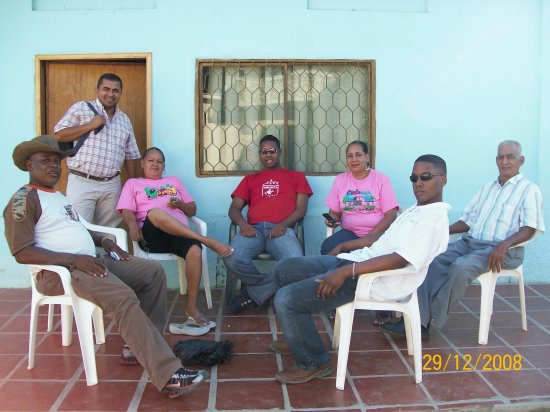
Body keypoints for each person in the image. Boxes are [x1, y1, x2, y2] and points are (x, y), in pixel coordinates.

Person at [4, 135, 206, 399]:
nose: (53, 166)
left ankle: (138, 347)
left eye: (56, 161)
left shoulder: (58, 197)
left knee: (152, 273)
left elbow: (79, 230)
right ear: (29, 164)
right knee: (122, 296)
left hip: (90, 263)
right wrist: (73, 260)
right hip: (62, 273)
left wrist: (106, 241)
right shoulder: (23, 199)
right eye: (46, 161)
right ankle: (169, 374)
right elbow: (22, 252)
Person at [269, 154, 450, 384]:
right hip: (356, 262)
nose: (419, 183)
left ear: (443, 180)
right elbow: (381, 240)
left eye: (426, 177)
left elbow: (399, 260)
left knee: (286, 299)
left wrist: (347, 271)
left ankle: (314, 361)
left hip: (371, 280)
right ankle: (297, 335)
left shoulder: (434, 220)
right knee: (284, 269)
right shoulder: (417, 210)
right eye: (414, 178)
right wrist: (345, 247)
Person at [383, 140, 545, 339]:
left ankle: (426, 318)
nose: (504, 161)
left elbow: (530, 227)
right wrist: (440, 231)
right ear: (496, 160)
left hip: (504, 250)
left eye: (510, 157)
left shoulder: (529, 189)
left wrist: (505, 244)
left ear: (521, 160)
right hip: (471, 243)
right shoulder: (488, 188)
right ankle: (417, 321)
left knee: (461, 267)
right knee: (430, 259)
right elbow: (467, 221)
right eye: (500, 157)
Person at [117, 147, 233, 330]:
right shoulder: (133, 183)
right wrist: (132, 225)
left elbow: (192, 210)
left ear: (164, 166)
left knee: (195, 250)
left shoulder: (174, 182)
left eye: (159, 161)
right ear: (142, 164)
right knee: (155, 212)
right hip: (152, 236)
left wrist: (179, 204)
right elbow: (126, 210)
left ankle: (192, 308)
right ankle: (207, 241)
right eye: (151, 160)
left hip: (179, 234)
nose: (155, 164)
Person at [223, 135, 313, 314]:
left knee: (294, 263)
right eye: (264, 152)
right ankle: (264, 292)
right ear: (259, 154)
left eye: (272, 151)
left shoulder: (296, 177)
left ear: (279, 152)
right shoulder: (250, 179)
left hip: (282, 230)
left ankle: (252, 294)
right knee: (232, 258)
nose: (268, 155)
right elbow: (234, 209)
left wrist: (283, 225)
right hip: (253, 230)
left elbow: (301, 209)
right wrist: (243, 225)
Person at [54, 73, 141, 227]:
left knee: (108, 230)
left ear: (120, 93)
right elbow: (59, 135)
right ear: (97, 90)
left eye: (115, 90)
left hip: (111, 185)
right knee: (79, 227)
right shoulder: (81, 108)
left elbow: (131, 154)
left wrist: (133, 185)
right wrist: (91, 125)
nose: (110, 94)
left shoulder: (124, 120)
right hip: (82, 181)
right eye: (106, 89)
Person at [321, 141, 399, 256]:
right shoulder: (340, 180)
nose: (354, 159)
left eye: (358, 155)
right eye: (350, 156)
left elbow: (391, 215)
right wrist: (331, 220)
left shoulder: (381, 179)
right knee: (328, 247)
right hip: (350, 234)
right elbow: (334, 213)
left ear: (367, 157)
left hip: (377, 235)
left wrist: (369, 238)